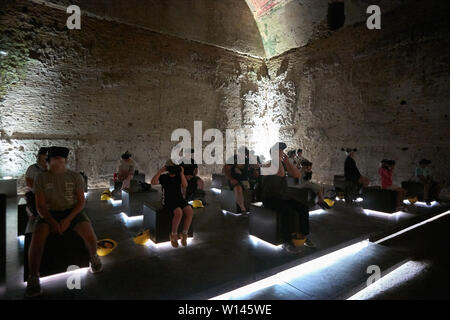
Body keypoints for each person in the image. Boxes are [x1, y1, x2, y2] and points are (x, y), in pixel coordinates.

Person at [25, 147, 102, 298]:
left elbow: (80, 202)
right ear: (49, 161)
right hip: (49, 212)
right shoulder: (41, 178)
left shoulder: (75, 176)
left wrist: (68, 219)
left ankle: (94, 256)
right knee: (38, 238)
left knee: (89, 233)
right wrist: (52, 221)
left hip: (70, 211)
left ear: (66, 161)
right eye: (55, 160)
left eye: (61, 160)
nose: (59, 163)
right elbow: (40, 206)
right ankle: (33, 276)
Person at [260, 142, 314, 251]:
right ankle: (287, 241)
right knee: (286, 210)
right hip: (269, 199)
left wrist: (287, 162)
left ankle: (304, 235)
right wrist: (277, 159)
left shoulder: (282, 164)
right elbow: (280, 173)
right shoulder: (266, 165)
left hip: (281, 197)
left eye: (282, 151)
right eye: (279, 151)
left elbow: (297, 175)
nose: (282, 153)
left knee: (303, 206)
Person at [151, 159, 194, 248]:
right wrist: (160, 171)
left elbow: (185, 185)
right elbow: (153, 182)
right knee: (178, 212)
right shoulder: (164, 177)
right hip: (168, 200)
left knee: (189, 211)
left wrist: (181, 173)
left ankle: (184, 234)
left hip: (179, 198)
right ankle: (173, 234)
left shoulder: (179, 176)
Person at [222, 148, 252, 213]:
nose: (243, 155)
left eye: (245, 154)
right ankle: (243, 209)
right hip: (234, 180)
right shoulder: (233, 158)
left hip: (245, 181)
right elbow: (224, 169)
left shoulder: (247, 161)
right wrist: (231, 179)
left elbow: (255, 167)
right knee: (238, 188)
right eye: (241, 153)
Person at [24, 147, 48, 216]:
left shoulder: (50, 168)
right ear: (40, 156)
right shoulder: (32, 168)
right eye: (45, 155)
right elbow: (29, 183)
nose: (47, 157)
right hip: (35, 194)